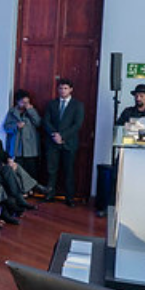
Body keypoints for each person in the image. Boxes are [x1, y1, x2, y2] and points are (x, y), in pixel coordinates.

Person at [42, 78, 85, 207]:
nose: (62, 91)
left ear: (71, 89)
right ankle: (50, 194)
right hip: (52, 142)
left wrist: (62, 136)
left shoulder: (78, 105)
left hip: (69, 142)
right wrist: (54, 134)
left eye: (65, 88)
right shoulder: (51, 104)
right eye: (60, 88)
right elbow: (46, 121)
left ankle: (69, 198)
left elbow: (77, 124)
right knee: (51, 170)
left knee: (69, 171)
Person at [3, 89, 45, 184]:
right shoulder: (12, 112)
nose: (25, 104)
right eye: (22, 102)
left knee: (31, 169)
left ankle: (32, 189)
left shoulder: (32, 111)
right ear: (17, 101)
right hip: (17, 147)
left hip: (30, 147)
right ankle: (21, 189)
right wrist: (16, 126)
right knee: (18, 169)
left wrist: (30, 110)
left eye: (27, 102)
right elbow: (6, 127)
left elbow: (39, 123)